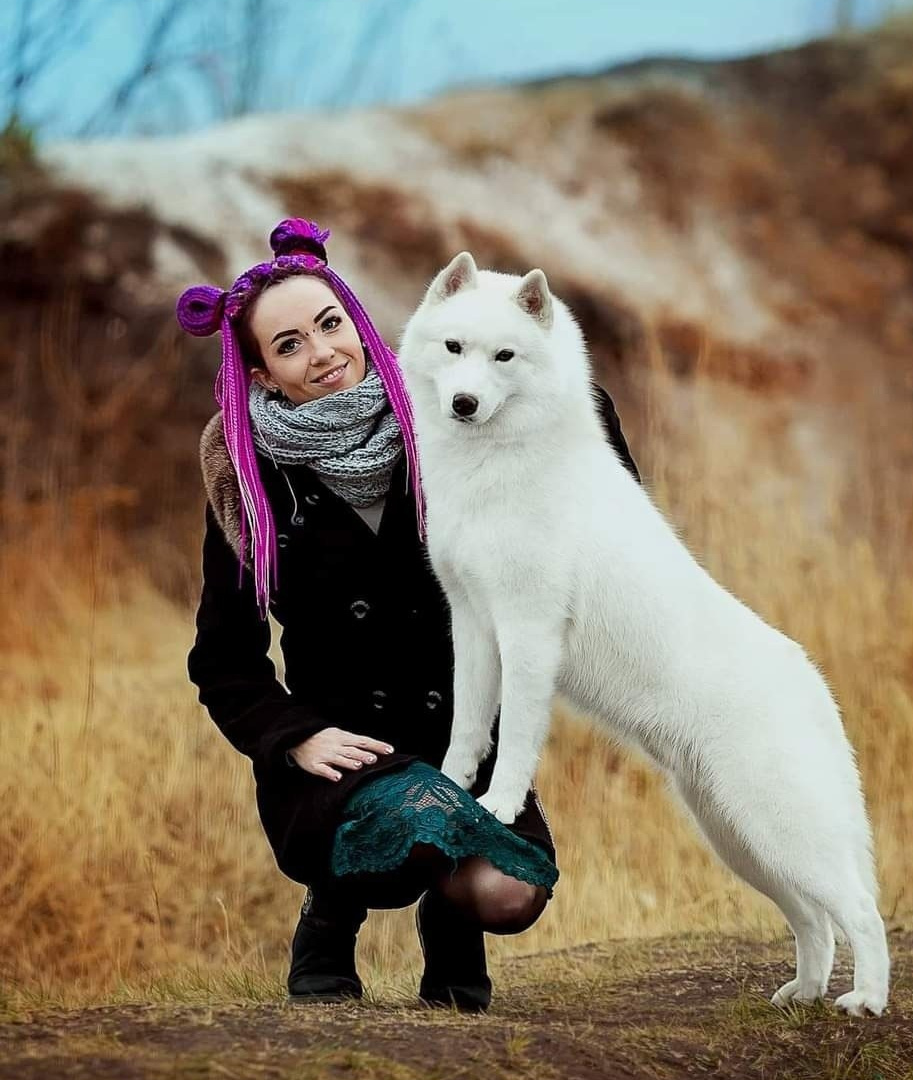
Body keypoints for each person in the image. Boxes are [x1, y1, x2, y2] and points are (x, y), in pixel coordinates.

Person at [179, 218, 640, 1010]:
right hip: (343, 754)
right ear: (260, 375)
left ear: (358, 322)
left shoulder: (452, 412)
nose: (323, 352)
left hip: (461, 730)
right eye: (289, 345)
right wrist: (294, 738)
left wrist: (537, 372)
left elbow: (584, 457)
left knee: (509, 894)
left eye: (331, 324)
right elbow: (223, 659)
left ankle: (452, 917)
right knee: (417, 812)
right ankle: (333, 910)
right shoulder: (249, 483)